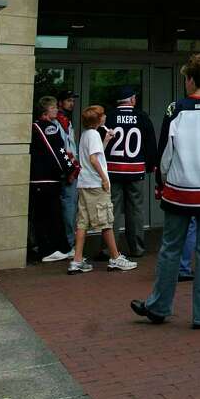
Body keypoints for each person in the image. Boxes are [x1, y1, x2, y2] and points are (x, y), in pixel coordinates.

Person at [131, 54, 200, 328]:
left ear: (190, 79)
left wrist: (162, 184)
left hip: (180, 192)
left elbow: (165, 157)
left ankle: (159, 306)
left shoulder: (176, 110)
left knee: (170, 249)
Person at [68, 106, 137, 274]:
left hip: (84, 183)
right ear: (98, 120)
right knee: (106, 221)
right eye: (102, 115)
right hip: (96, 185)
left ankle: (76, 260)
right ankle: (115, 257)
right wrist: (105, 179)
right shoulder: (93, 135)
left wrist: (105, 140)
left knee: (82, 222)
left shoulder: (86, 134)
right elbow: (93, 159)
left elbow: (95, 156)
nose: (105, 116)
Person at [105, 86, 158, 257]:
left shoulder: (110, 117)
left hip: (112, 169)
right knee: (135, 209)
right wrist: (150, 165)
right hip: (135, 169)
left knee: (111, 208)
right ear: (133, 99)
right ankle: (137, 248)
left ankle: (109, 249)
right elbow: (150, 143)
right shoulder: (141, 117)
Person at [29, 96, 74, 263]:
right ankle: (50, 249)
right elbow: (57, 150)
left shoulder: (35, 126)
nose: (56, 110)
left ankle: (54, 247)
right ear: (46, 111)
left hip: (39, 179)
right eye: (54, 107)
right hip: (47, 179)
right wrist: (69, 168)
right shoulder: (49, 128)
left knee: (43, 216)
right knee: (51, 216)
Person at [55, 90, 79, 252]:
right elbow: (61, 148)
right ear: (60, 103)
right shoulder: (57, 122)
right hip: (65, 170)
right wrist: (70, 169)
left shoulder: (66, 121)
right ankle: (68, 242)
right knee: (68, 206)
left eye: (72, 100)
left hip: (71, 169)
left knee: (69, 206)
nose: (72, 103)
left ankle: (67, 240)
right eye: (68, 100)